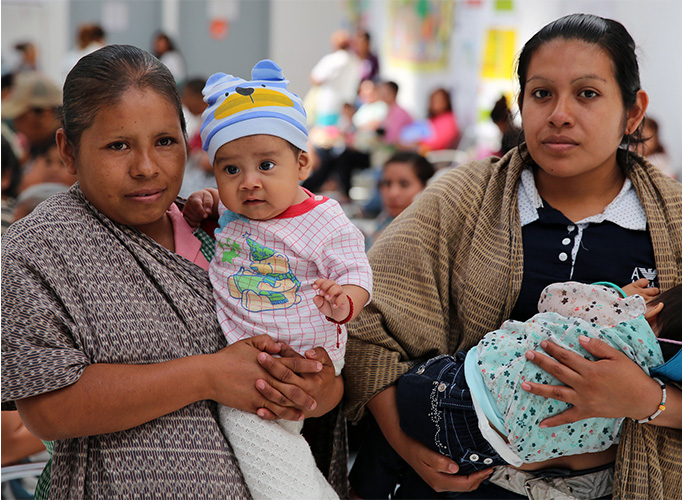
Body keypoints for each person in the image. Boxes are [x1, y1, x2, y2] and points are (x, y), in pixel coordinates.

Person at [344, 13, 682, 500]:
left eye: (587, 93)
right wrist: (408, 445)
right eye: (541, 94)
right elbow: (364, 325)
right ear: (521, 105)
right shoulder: (459, 200)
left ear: (632, 110)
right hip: (458, 486)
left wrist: (646, 400)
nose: (560, 113)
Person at [1, 44, 341, 499]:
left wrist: (315, 388)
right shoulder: (38, 251)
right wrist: (207, 375)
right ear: (68, 149)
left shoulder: (231, 233)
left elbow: (327, 376)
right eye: (117, 145)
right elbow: (50, 409)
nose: (146, 168)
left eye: (165, 142)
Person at [355, 279, 682, 496]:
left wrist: (610, 293)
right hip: (489, 451)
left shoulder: (618, 317)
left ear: (653, 307)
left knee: (393, 425)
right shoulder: (635, 393)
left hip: (452, 390)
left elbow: (552, 298)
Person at [182, 59, 372, 500]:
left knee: (258, 437)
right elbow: (219, 226)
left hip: (308, 352)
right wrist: (207, 206)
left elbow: (357, 271)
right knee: (267, 433)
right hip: (255, 361)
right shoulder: (232, 215)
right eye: (230, 170)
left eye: (266, 165)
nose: (249, 183)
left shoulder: (324, 220)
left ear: (302, 163)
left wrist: (345, 300)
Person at [366, 151, 434, 249]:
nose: (393, 193)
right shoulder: (385, 220)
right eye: (387, 183)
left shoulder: (424, 236)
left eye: (404, 184)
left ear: (426, 187)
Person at [1, 71, 62, 165]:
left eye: (20, 116)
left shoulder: (60, 155)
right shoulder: (37, 147)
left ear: (44, 114)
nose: (16, 124)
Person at [309, 29, 362, 127]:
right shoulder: (355, 61)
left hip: (329, 105)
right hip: (347, 106)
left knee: (325, 137)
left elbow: (315, 78)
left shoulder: (332, 60)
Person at [400, 87, 460, 153]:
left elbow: (436, 144)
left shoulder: (448, 120)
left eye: (438, 101)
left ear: (446, 101)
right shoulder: (433, 118)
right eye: (433, 101)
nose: (434, 104)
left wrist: (416, 144)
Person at [377, 81, 414, 147]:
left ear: (393, 93)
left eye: (384, 91)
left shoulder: (399, 113)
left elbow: (393, 139)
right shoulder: (389, 110)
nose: (381, 94)